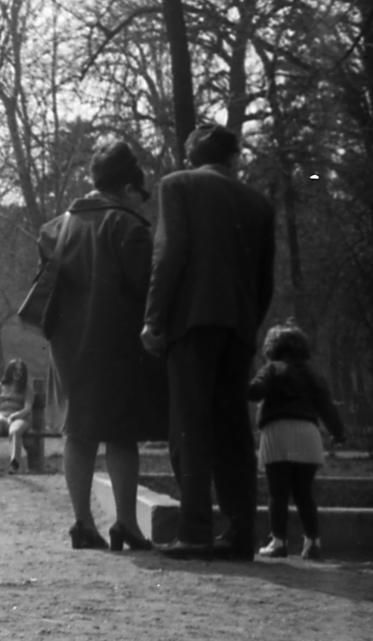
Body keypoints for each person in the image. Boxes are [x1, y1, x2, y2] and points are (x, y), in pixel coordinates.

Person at [143, 124, 275, 561]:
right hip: (238, 327)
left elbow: (170, 253)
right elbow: (264, 280)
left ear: (191, 157)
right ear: (232, 159)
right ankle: (240, 535)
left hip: (191, 323)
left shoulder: (176, 185)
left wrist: (154, 320)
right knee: (234, 430)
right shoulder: (258, 203)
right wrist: (248, 327)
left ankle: (195, 530)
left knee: (189, 426)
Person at [46, 141, 166, 551]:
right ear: (128, 187)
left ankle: (82, 523)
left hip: (66, 347)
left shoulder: (59, 225)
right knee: (121, 435)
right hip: (115, 345)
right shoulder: (128, 226)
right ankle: (127, 524)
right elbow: (146, 288)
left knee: (77, 433)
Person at [248, 322, 346, 561]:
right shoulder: (313, 375)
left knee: (277, 494)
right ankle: (313, 543)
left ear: (272, 347)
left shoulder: (273, 369)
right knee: (304, 493)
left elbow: (256, 390)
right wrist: (338, 433)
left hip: (278, 433)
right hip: (308, 435)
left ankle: (278, 542)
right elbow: (327, 408)